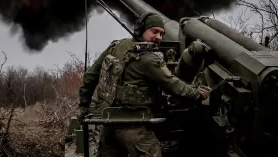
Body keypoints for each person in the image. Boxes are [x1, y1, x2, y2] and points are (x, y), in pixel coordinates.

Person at [78, 12, 212, 157]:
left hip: (109, 122)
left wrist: (84, 104)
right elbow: (174, 86)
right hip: (133, 126)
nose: (158, 38)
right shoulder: (149, 59)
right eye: (154, 32)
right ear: (140, 30)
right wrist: (198, 94)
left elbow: (91, 75)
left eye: (161, 34)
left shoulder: (116, 46)